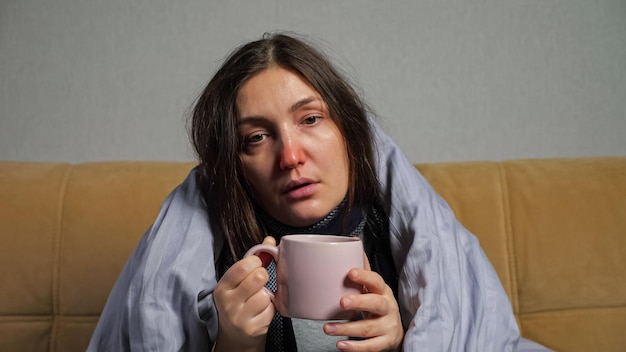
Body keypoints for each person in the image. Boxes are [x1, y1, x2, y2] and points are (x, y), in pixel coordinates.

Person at [88, 33, 549, 351]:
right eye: (257, 137)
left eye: (310, 119)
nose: (290, 156)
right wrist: (234, 344)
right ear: (236, 166)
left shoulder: (394, 229)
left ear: (348, 131)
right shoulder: (219, 252)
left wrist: (396, 340)